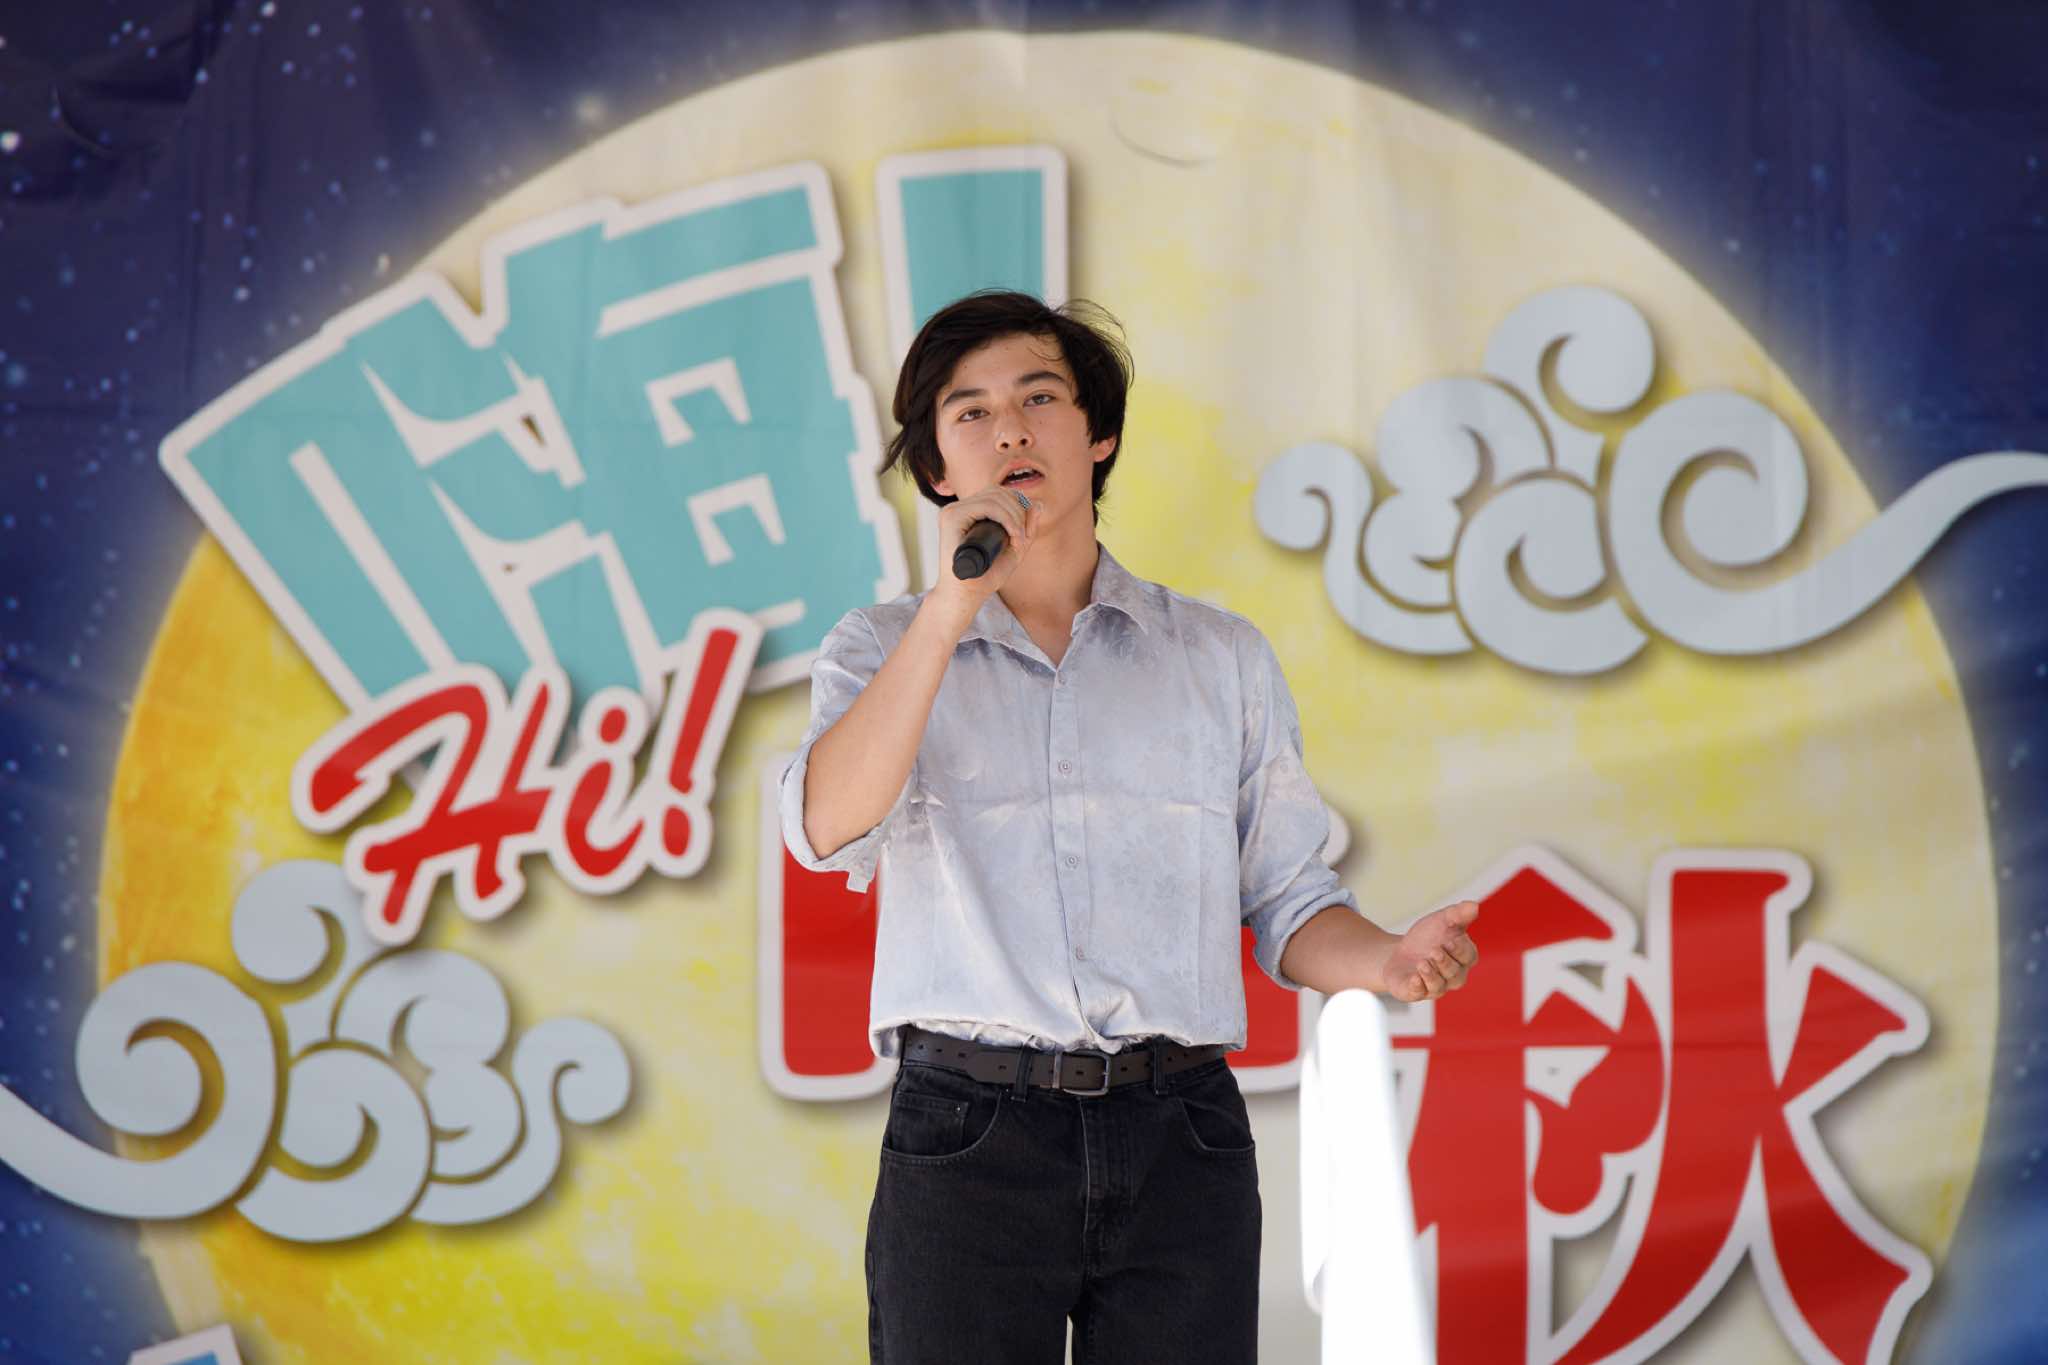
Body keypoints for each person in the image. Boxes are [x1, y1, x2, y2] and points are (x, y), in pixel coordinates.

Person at [779, 290, 1478, 1364]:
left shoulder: (1216, 656)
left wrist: (1384, 960)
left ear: (1096, 434)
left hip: (1179, 1131)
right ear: (934, 467)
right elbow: (826, 824)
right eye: (970, 413)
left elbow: (1288, 898)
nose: (1009, 431)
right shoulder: (879, 648)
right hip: (968, 1132)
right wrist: (951, 610)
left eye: (1039, 399)